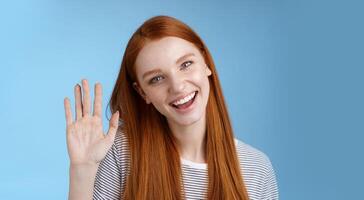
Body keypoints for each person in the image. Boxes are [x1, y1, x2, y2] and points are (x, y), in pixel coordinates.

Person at [64, 15, 278, 200]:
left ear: (206, 64)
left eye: (186, 64)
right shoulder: (122, 152)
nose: (177, 86)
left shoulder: (256, 168)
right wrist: (82, 168)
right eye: (157, 78)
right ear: (142, 93)